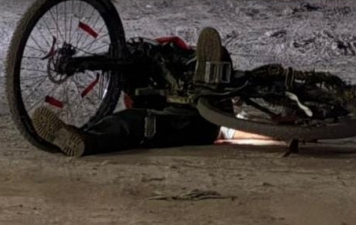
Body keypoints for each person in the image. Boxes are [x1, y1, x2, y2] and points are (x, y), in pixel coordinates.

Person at [30, 27, 233, 157]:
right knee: (136, 123)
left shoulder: (167, 53)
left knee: (141, 123)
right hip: (180, 118)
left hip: (204, 115)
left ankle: (207, 73)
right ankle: (82, 139)